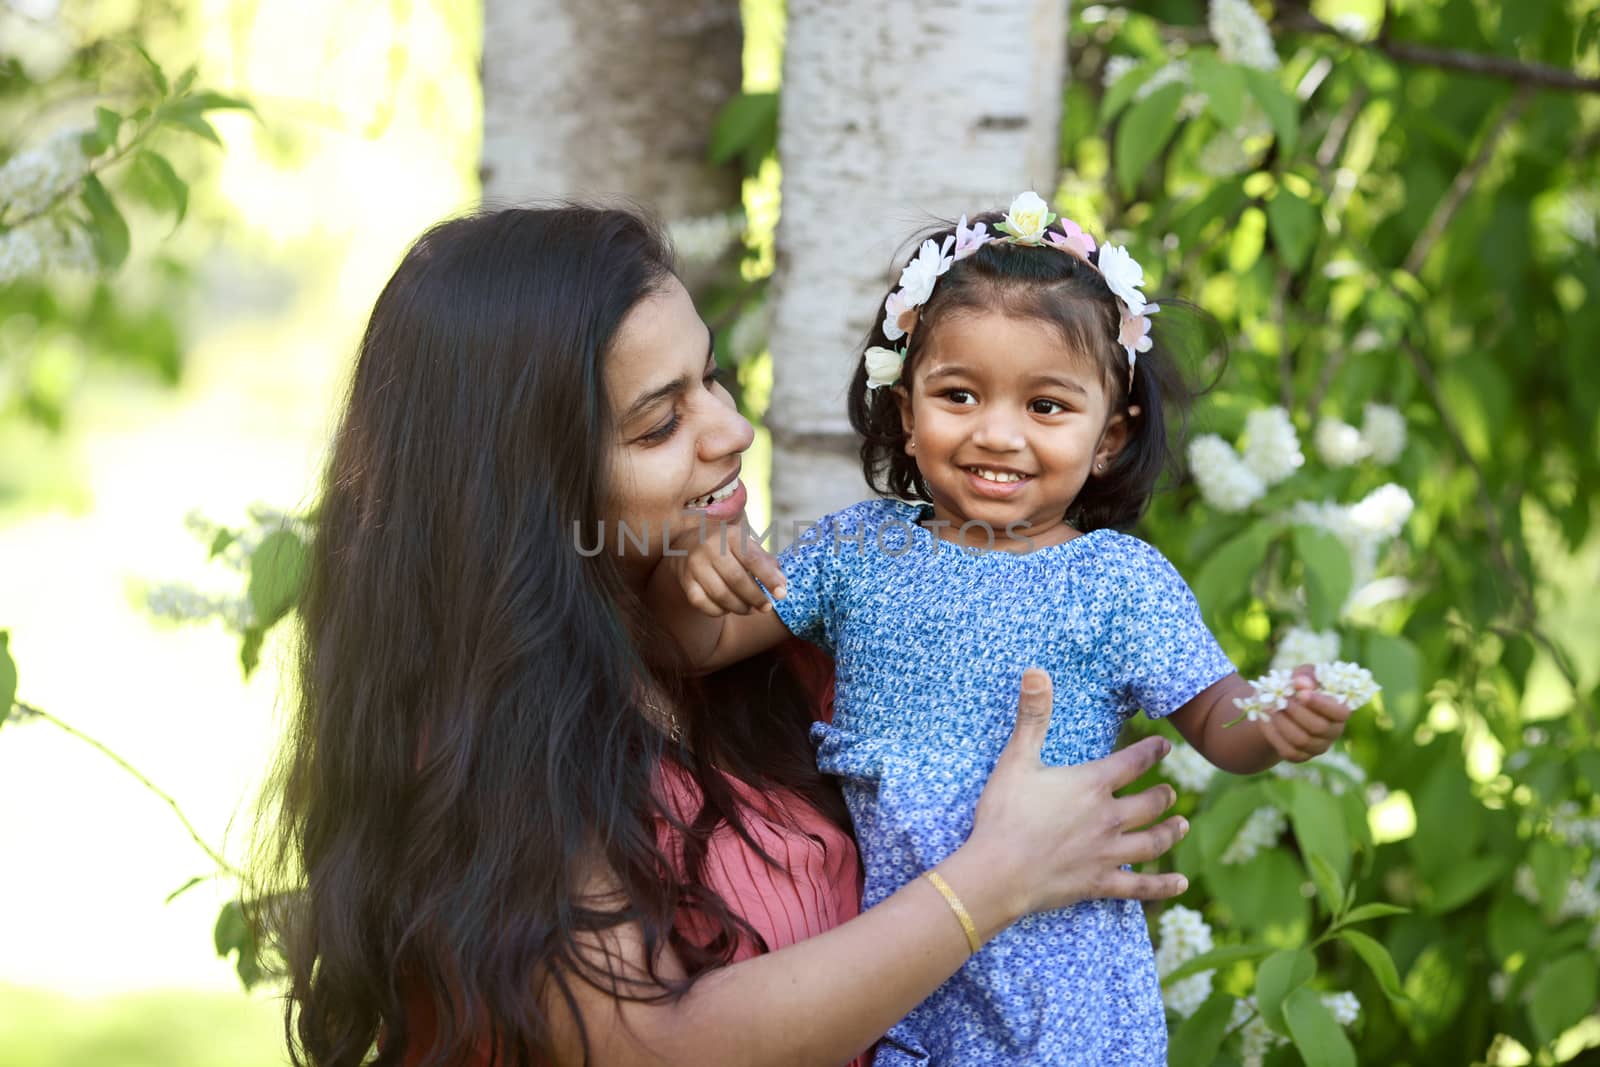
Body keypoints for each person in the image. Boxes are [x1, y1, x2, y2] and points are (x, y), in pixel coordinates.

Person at [251, 204, 1196, 1067]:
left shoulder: (753, 643)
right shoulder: (485, 742)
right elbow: (650, 1048)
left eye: (712, 378)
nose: (733, 429)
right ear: (531, 489)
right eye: (661, 422)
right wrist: (992, 881)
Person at [647, 192, 1357, 1065]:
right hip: (899, 967)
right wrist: (698, 570)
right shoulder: (855, 550)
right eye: (959, 393)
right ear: (906, 411)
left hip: (1064, 982)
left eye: (1046, 407)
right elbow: (699, 645)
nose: (997, 432)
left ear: (1108, 437)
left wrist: (1273, 723)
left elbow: (1216, 719)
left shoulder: (1118, 582)